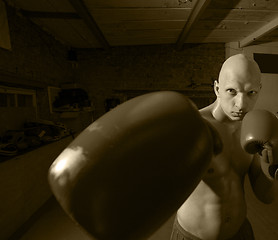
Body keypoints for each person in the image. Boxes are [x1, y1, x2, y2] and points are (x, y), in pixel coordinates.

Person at [171, 54, 278, 240]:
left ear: (259, 89)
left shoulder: (254, 128)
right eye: (231, 91)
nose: (242, 104)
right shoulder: (193, 127)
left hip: (240, 233)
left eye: (251, 92)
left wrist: (270, 168)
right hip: (192, 237)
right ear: (217, 88)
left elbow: (265, 196)